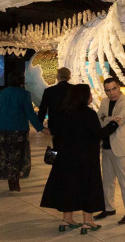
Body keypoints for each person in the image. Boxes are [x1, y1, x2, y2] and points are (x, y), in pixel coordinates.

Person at [40, 84, 117, 233]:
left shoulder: (62, 112)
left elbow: (55, 131)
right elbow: (98, 134)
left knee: (68, 186)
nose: (91, 97)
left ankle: (67, 219)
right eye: (89, 94)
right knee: (88, 187)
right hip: (85, 158)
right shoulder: (88, 114)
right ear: (83, 96)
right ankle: (88, 221)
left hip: (65, 158)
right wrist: (113, 124)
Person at [0, 71, 47, 192]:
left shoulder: (1, 93)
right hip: (19, 130)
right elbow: (30, 113)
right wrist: (41, 128)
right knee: (18, 156)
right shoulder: (24, 94)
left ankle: (11, 183)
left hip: (3, 129)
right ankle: (15, 184)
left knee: (6, 155)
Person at [94, 77, 125, 223]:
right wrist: (108, 119)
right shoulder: (105, 101)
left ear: (118, 87)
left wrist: (107, 118)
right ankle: (109, 208)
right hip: (106, 146)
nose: (111, 93)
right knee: (107, 180)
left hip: (120, 146)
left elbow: (119, 120)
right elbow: (100, 118)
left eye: (114, 89)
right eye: (108, 90)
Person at [37, 67, 72, 149]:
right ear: (69, 77)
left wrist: (40, 126)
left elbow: (43, 109)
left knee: (57, 147)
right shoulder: (74, 89)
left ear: (57, 76)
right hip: (72, 125)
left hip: (55, 126)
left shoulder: (49, 91)